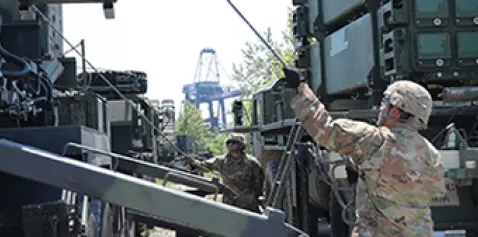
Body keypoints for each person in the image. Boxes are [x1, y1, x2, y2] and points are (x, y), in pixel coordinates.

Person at [290, 79, 445, 237]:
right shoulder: (432, 154)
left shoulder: (375, 141)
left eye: (384, 102)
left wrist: (301, 87)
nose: (380, 108)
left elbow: (325, 130)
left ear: (394, 112)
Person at [185, 133, 266, 213]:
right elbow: (205, 166)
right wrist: (193, 163)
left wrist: (252, 196)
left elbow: (260, 182)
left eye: (234, 143)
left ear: (241, 145)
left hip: (247, 204)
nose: (231, 145)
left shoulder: (251, 162)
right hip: (229, 203)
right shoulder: (221, 161)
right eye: (229, 143)